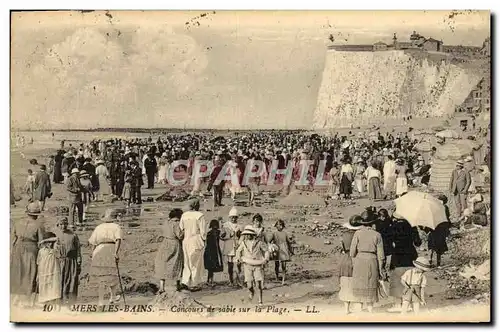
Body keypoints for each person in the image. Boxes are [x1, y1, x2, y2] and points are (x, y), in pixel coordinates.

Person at [11, 202, 46, 307]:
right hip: (31, 249)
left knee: (18, 272)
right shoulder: (38, 225)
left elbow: (12, 239)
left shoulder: (17, 223)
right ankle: (26, 298)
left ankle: (16, 298)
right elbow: (41, 242)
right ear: (36, 215)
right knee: (30, 272)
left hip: (18, 248)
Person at [349, 211, 385, 313]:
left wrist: (355, 262)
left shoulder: (357, 233)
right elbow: (381, 256)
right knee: (371, 283)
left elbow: (352, 252)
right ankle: (370, 311)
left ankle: (359, 309)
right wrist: (381, 269)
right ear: (373, 223)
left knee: (359, 284)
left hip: (359, 260)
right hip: (372, 260)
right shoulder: (377, 235)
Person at [388, 213, 422, 312]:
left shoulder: (393, 227)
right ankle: (409, 302)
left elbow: (389, 242)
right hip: (410, 255)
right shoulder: (412, 226)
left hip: (397, 255)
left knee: (397, 280)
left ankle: (398, 304)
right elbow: (418, 243)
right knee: (410, 280)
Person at [88, 209, 123, 305]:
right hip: (110, 249)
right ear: (114, 218)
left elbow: (93, 242)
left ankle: (101, 300)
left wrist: (92, 253)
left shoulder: (98, 227)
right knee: (112, 274)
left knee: (101, 277)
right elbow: (118, 240)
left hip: (99, 249)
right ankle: (112, 297)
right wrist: (116, 252)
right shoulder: (116, 226)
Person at [235, 225, 270, 305]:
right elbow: (238, 251)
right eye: (246, 234)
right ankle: (252, 292)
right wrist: (239, 258)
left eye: (249, 234)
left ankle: (260, 301)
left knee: (258, 283)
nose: (247, 236)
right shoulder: (244, 243)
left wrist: (266, 259)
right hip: (247, 266)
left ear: (253, 235)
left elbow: (266, 250)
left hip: (257, 264)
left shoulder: (259, 243)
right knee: (249, 285)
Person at [179, 199, 207, 291]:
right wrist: (204, 240)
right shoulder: (200, 215)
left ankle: (185, 281)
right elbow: (203, 231)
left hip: (186, 240)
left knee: (187, 262)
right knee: (196, 263)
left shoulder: (184, 215)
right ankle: (195, 283)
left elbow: (181, 229)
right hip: (196, 240)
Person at [155, 208, 184, 293]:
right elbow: (180, 236)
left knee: (162, 263)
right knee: (177, 263)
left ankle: (161, 287)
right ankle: (177, 285)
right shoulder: (176, 224)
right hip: (174, 244)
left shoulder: (166, 223)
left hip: (165, 243)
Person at [54, 217, 82, 307]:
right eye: (61, 224)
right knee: (60, 279)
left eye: (65, 224)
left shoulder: (73, 235)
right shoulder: (56, 235)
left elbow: (78, 249)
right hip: (61, 261)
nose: (63, 226)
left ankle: (71, 301)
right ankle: (60, 300)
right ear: (58, 225)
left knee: (72, 279)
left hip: (71, 261)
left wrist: (79, 261)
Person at [339, 215, 363, 314]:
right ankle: (359, 307)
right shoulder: (360, 235)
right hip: (357, 258)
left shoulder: (344, 235)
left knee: (345, 283)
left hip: (345, 259)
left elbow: (343, 248)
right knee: (359, 281)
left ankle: (346, 309)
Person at [37, 232, 61, 310]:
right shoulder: (41, 251)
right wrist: (38, 274)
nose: (50, 244)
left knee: (53, 287)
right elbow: (38, 263)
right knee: (44, 287)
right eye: (48, 243)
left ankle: (53, 305)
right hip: (43, 272)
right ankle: (45, 305)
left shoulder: (55, 250)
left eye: (51, 242)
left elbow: (57, 239)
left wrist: (44, 240)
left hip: (54, 271)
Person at [221, 207, 242, 286]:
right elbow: (222, 237)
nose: (233, 219)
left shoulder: (239, 226)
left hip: (237, 245)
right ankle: (231, 280)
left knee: (238, 263)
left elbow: (241, 237)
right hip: (229, 246)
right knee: (230, 264)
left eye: (235, 217)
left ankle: (238, 279)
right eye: (232, 217)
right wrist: (228, 236)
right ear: (229, 217)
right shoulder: (226, 225)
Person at [270, 219, 294, 285]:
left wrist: (291, 250)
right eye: (277, 225)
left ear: (283, 226)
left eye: (280, 225)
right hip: (277, 249)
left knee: (284, 265)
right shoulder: (274, 233)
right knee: (276, 264)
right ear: (276, 226)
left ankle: (283, 279)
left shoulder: (285, 233)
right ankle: (277, 277)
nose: (279, 226)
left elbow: (289, 243)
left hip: (284, 249)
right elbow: (269, 241)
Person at [204, 219, 224, 286]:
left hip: (209, 250)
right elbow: (222, 236)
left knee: (210, 267)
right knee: (212, 267)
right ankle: (210, 281)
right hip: (214, 251)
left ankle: (209, 280)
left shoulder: (209, 233)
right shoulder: (217, 232)